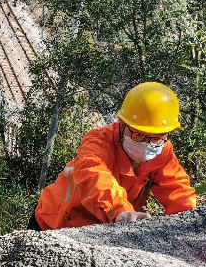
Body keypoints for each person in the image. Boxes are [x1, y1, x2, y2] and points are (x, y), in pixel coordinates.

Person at [31, 82, 196, 231]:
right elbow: (94, 175)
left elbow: (176, 189)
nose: (148, 143)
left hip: (105, 229)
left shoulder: (163, 151)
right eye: (139, 135)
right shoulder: (98, 141)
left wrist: (190, 220)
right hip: (55, 222)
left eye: (157, 137)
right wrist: (120, 211)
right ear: (122, 124)